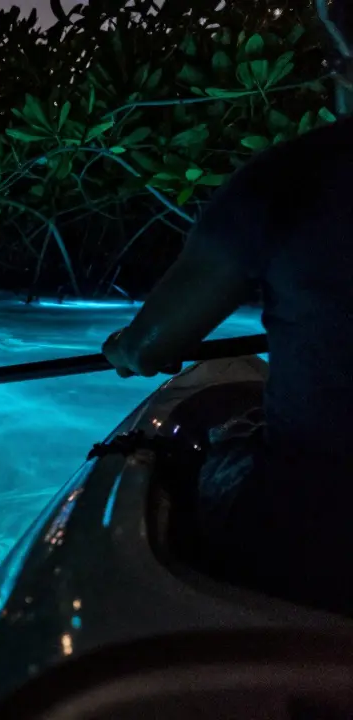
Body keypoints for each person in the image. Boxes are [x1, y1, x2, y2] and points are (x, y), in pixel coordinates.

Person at [100, 111, 353, 613]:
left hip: (314, 531)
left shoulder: (294, 175)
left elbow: (149, 348)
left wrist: (122, 348)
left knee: (221, 444)